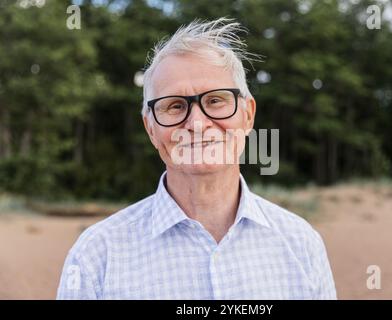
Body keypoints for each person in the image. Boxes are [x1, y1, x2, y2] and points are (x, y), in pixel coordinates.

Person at [57, 17, 337, 300]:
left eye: (215, 100)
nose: (198, 124)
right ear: (151, 128)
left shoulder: (302, 244)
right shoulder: (95, 257)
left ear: (248, 114)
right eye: (175, 106)